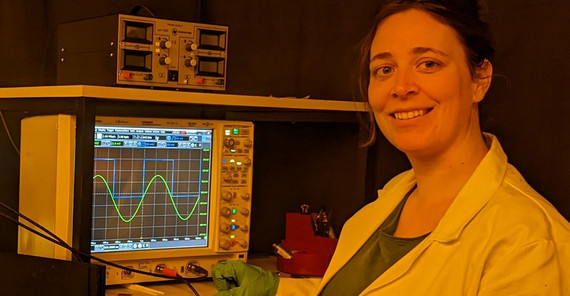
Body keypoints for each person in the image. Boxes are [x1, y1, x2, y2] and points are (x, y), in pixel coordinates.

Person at [212, 0, 570, 295]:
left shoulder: (529, 244)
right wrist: (279, 290)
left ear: (480, 79)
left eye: (428, 64)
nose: (401, 87)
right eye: (384, 69)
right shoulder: (380, 210)